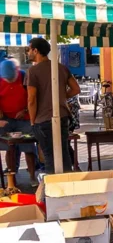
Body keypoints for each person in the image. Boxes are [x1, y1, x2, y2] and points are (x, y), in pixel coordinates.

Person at [26, 38, 80, 174]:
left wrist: (32, 121)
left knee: (49, 157)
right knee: (64, 154)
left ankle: (53, 190)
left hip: (43, 119)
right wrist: (60, 96)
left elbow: (31, 99)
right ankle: (68, 185)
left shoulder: (33, 71)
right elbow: (76, 89)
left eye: (29, 49)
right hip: (62, 116)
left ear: (36, 50)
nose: (27, 53)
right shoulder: (61, 67)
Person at [0, 59, 37, 184]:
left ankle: (32, 176)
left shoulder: (24, 78)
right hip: (7, 119)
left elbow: (33, 97)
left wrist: (25, 110)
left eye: (11, 78)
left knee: (28, 148)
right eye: (6, 79)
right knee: (9, 148)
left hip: (25, 119)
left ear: (16, 71)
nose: (9, 81)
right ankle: (12, 179)